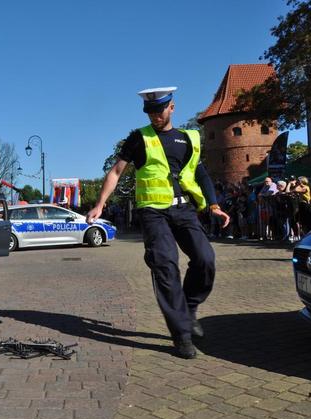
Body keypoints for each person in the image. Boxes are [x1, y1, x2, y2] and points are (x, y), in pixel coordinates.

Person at [86, 86, 230, 359]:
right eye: (150, 112)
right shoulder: (139, 138)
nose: (154, 116)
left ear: (172, 108)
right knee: (165, 264)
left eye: (159, 111)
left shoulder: (188, 138)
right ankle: (181, 334)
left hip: (184, 210)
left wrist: (214, 205)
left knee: (205, 258)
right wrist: (100, 203)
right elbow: (116, 171)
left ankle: (188, 307)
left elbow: (201, 174)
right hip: (152, 212)